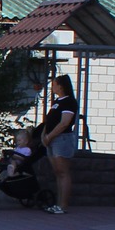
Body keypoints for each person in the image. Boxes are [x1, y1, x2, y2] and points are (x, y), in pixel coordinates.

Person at [38, 74, 78, 215]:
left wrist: (50, 136)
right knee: (57, 172)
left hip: (62, 139)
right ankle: (58, 204)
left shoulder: (69, 102)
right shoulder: (57, 102)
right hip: (51, 140)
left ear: (61, 86)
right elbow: (50, 120)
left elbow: (64, 123)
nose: (52, 87)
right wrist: (44, 135)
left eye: (54, 84)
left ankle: (63, 205)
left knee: (63, 172)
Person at [0, 128, 45, 209]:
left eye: (19, 140)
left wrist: (15, 156)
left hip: (20, 163)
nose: (17, 142)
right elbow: (14, 154)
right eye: (17, 141)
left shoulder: (27, 150)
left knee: (13, 162)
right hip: (14, 162)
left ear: (26, 141)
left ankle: (11, 173)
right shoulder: (18, 149)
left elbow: (25, 158)